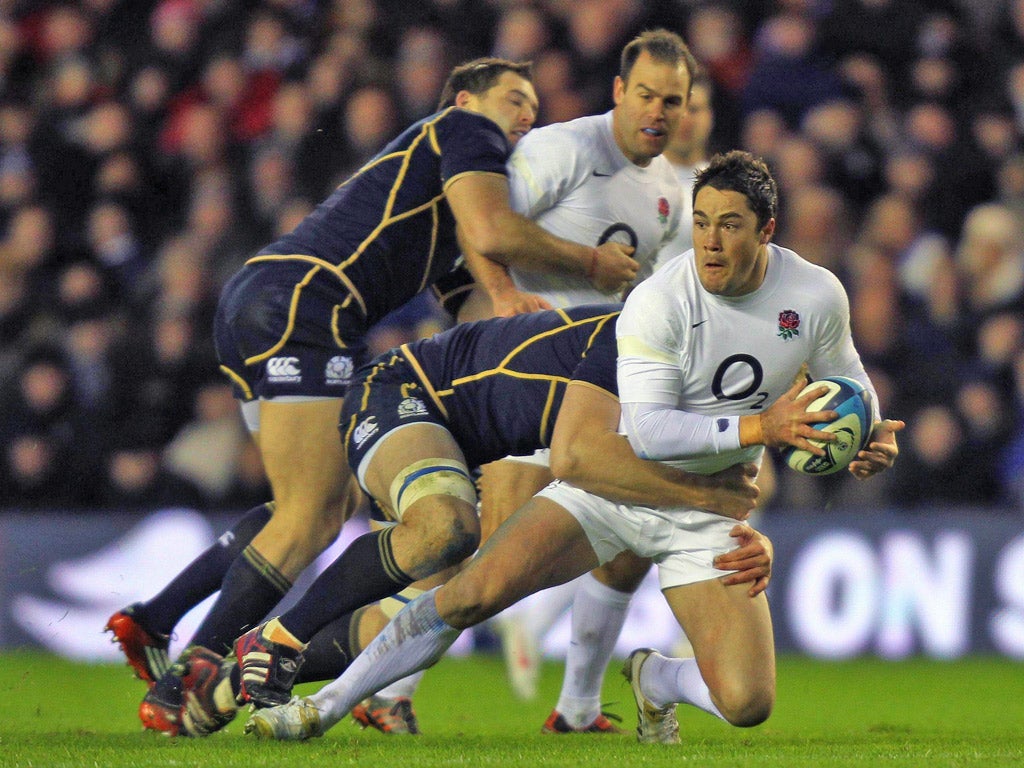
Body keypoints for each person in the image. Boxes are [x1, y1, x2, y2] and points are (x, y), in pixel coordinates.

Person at [244, 150, 905, 743]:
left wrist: (865, 433)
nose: (710, 240)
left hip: (707, 508)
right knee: (470, 594)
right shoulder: (660, 301)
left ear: (766, 230)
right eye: (701, 221)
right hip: (618, 487)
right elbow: (647, 432)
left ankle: (656, 680)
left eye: (729, 224)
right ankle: (320, 709)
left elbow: (848, 380)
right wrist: (762, 429)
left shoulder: (815, 294)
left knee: (748, 702)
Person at [104, 56, 640, 736]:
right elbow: (493, 233)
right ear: (466, 99)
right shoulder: (467, 131)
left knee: (311, 503)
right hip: (309, 304)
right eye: (514, 98)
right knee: (312, 516)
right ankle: (195, 675)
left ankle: (154, 618)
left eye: (534, 104)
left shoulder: (440, 214)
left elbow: (474, 306)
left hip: (265, 299)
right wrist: (590, 264)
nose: (526, 114)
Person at [167, 302, 774, 737]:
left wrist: (748, 524)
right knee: (446, 528)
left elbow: (737, 471)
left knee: (417, 607)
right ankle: (281, 637)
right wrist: (712, 498)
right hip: (403, 389)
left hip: (467, 438)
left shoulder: (702, 370)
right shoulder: (635, 338)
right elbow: (579, 459)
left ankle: (221, 688)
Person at [456, 28, 695, 724]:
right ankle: (382, 688)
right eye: (645, 94)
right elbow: (483, 224)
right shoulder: (563, 149)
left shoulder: (668, 192)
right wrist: (504, 298)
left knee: (629, 544)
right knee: (488, 561)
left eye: (671, 100)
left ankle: (578, 706)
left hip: (597, 388)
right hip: (525, 375)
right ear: (619, 91)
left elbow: (650, 299)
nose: (657, 110)